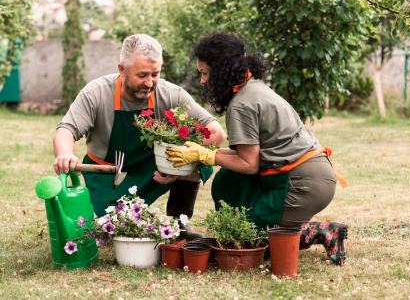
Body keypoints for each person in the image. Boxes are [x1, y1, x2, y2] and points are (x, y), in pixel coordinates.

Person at [166, 32, 349, 265]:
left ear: (221, 71)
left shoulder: (241, 104)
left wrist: (208, 155)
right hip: (309, 175)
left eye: (204, 73)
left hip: (302, 183)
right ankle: (274, 225)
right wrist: (205, 152)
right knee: (227, 180)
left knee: (246, 242)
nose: (202, 81)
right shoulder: (253, 88)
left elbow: (249, 164)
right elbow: (249, 154)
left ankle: (323, 231)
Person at [53, 34, 226, 240]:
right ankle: (123, 216)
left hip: (153, 170)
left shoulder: (171, 94)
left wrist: (177, 166)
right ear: (122, 69)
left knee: (199, 160)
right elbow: (66, 130)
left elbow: (216, 133)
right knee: (99, 231)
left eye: (155, 74)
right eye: (142, 75)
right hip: (107, 175)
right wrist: (65, 155)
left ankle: (179, 227)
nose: (149, 82)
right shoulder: (96, 93)